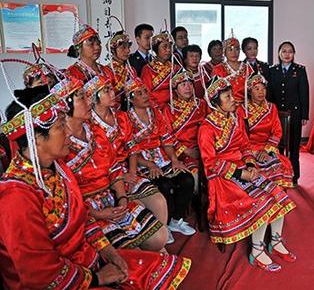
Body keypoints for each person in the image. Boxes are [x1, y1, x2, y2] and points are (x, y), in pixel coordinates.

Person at [0, 82, 190, 289]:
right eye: (60, 126)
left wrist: (110, 253)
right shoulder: (16, 196)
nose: (68, 133)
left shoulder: (58, 168)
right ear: (36, 138)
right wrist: (97, 278)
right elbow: (41, 277)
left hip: (89, 256)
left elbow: (83, 218)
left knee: (160, 267)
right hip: (69, 278)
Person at [198, 76, 296, 272]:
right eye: (227, 97)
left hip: (243, 167)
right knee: (261, 201)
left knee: (277, 194)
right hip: (223, 177)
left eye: (231, 95)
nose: (233, 99)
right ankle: (257, 251)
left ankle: (275, 241)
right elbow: (211, 163)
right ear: (216, 103)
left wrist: (250, 164)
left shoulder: (234, 119)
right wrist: (240, 173)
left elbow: (244, 145)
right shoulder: (207, 128)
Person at [64, 76, 168, 251]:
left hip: (112, 193)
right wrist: (96, 213)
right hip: (87, 208)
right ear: (64, 107)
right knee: (131, 252)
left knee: (160, 237)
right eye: (82, 97)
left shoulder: (94, 131)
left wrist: (122, 198)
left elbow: (113, 167)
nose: (88, 100)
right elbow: (65, 196)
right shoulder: (61, 143)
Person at [89, 75, 175, 244]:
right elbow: (98, 162)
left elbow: (133, 148)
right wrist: (121, 177)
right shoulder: (90, 124)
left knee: (159, 201)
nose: (112, 93)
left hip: (126, 169)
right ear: (94, 97)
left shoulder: (121, 117)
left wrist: (132, 173)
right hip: (106, 176)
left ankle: (162, 236)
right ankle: (148, 243)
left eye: (111, 89)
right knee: (137, 208)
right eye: (106, 90)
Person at [125, 77, 197, 240]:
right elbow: (131, 150)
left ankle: (175, 220)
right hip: (142, 162)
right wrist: (148, 164)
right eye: (139, 93)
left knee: (186, 179)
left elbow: (166, 139)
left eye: (145, 92)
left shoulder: (155, 112)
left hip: (162, 158)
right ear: (130, 98)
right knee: (163, 186)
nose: (145, 95)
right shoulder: (126, 118)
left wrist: (174, 159)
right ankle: (163, 224)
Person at [236, 73, 294, 188]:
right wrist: (253, 152)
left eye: (263, 89)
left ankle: (276, 198)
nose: (261, 92)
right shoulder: (241, 110)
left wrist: (266, 150)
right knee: (254, 167)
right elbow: (241, 135)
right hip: (249, 148)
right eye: (256, 89)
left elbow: (277, 131)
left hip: (268, 147)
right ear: (249, 91)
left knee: (276, 164)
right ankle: (260, 199)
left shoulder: (272, 108)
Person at [267, 41, 309, 186]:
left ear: (294, 54)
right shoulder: (273, 70)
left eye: (290, 51)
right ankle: (279, 175)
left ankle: (294, 176)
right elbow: (270, 94)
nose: (287, 54)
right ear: (279, 53)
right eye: (283, 51)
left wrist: (304, 115)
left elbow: (304, 94)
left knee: (294, 147)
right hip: (277, 115)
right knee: (277, 146)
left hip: (295, 115)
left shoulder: (300, 70)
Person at [164, 67, 208, 193]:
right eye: (183, 84)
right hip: (182, 153)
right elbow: (167, 135)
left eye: (190, 84)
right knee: (195, 178)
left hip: (204, 148)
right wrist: (186, 150)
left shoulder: (202, 104)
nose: (188, 87)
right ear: (175, 90)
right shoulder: (169, 109)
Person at [141, 31, 176, 111]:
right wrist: (158, 108)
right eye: (164, 47)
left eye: (170, 47)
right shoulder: (148, 69)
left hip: (174, 108)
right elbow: (146, 92)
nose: (168, 50)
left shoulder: (175, 68)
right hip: (156, 108)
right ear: (156, 49)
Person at [212, 36, 253, 106]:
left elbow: (253, 91)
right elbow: (213, 93)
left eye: (236, 49)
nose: (234, 52)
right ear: (224, 52)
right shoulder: (218, 69)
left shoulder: (247, 68)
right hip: (225, 108)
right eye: (230, 49)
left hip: (245, 108)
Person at [107, 30, 137, 103]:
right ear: (113, 50)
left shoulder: (131, 69)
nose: (127, 51)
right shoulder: (108, 70)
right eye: (123, 48)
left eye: (128, 47)